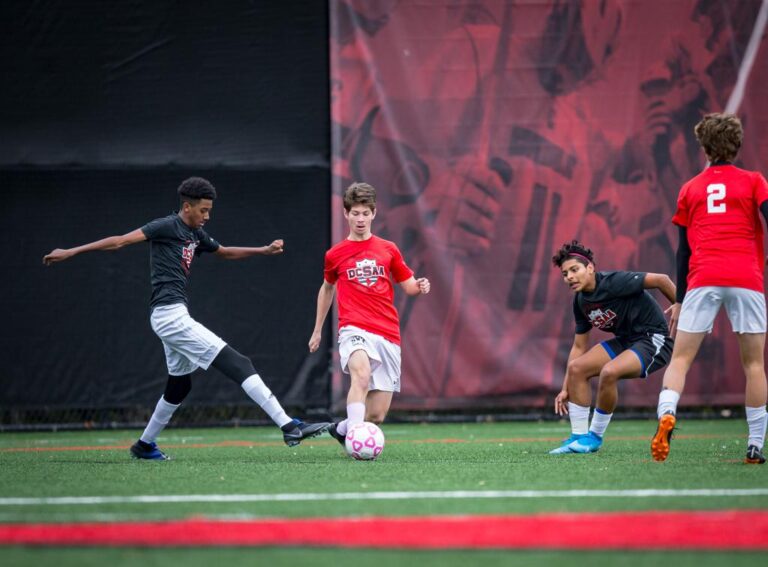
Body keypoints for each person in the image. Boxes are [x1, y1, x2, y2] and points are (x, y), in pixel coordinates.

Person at [43, 177, 329, 460]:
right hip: (169, 316)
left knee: (180, 385)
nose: (206, 216)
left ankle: (144, 445)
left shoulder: (196, 234)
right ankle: (290, 426)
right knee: (239, 363)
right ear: (187, 206)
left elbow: (225, 252)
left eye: (209, 211)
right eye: (202, 210)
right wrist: (71, 251)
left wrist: (264, 250)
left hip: (173, 314)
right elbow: (119, 242)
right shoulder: (165, 226)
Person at [651, 113, 768, 464]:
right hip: (746, 278)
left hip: (702, 278)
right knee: (754, 365)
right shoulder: (754, 181)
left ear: (703, 146)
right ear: (737, 145)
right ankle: (754, 445)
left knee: (681, 360)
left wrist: (681, 300)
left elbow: (682, 250)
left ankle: (666, 415)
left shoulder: (691, 188)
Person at [308, 181, 430, 447]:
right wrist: (317, 330)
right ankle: (354, 440)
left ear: (374, 213)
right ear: (346, 214)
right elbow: (327, 288)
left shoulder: (388, 249)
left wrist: (419, 286)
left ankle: (341, 428)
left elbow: (408, 285)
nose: (360, 219)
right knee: (360, 375)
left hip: (387, 332)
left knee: (375, 415)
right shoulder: (335, 254)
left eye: (365, 213)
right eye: (355, 213)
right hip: (353, 328)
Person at [550, 241, 676, 454]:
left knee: (609, 372)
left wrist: (682, 307)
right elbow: (579, 347)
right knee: (577, 369)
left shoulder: (614, 282)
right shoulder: (580, 301)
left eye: (574, 269)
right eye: (565, 273)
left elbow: (661, 280)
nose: (569, 277)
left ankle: (595, 437)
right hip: (627, 340)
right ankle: (579, 437)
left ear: (590, 268)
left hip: (653, 339)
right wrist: (566, 388)